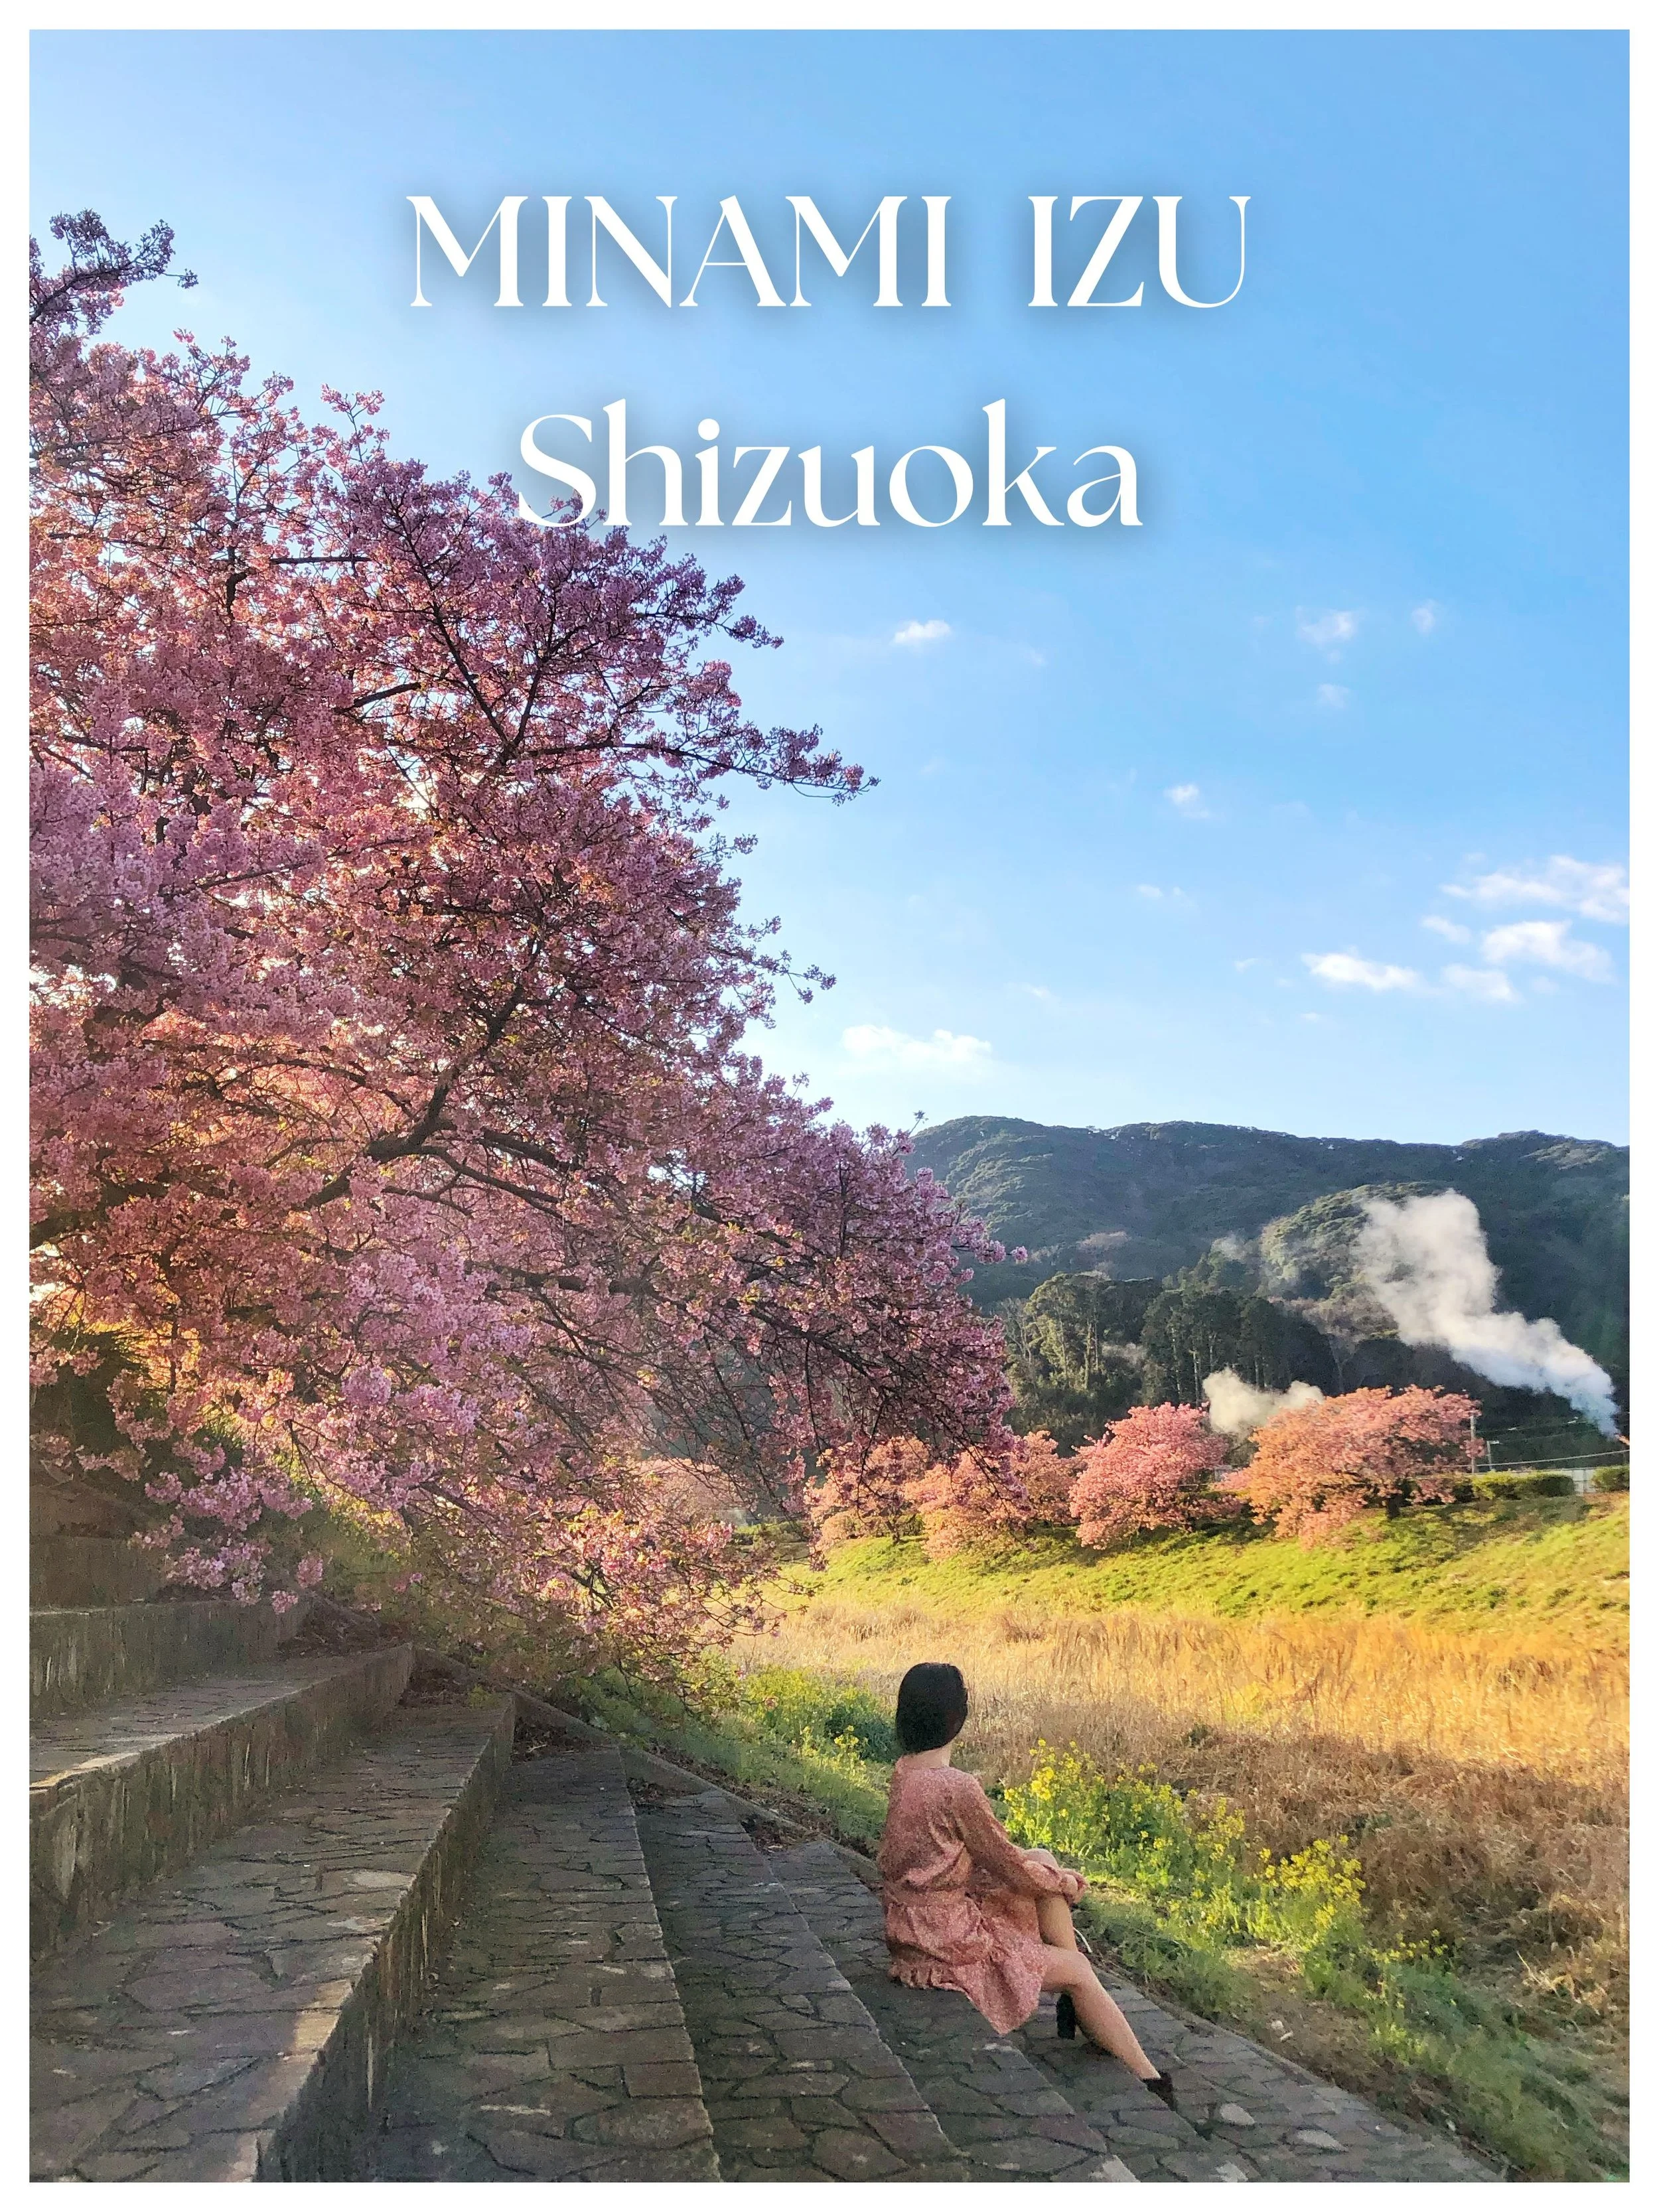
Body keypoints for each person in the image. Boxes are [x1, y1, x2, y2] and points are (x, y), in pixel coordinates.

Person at [877, 1660, 1177, 2107]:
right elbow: (1007, 1867)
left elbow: (961, 1854)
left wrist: (1048, 1871)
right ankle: (1151, 2082)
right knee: (1072, 1954)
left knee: (1040, 1858)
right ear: (957, 1719)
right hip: (944, 1940)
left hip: (912, 1922)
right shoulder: (956, 1786)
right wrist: (1066, 1883)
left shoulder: (906, 1773)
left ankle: (1077, 1999)